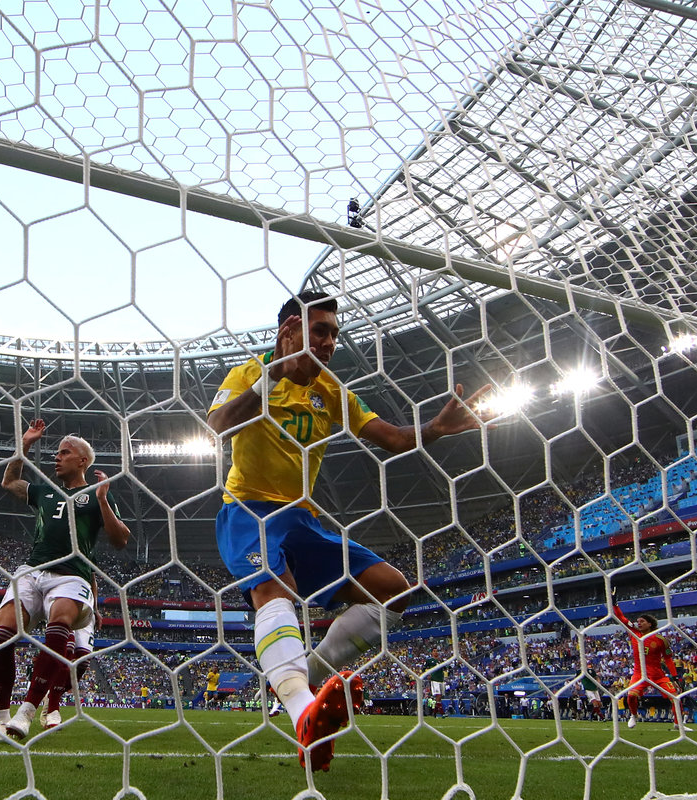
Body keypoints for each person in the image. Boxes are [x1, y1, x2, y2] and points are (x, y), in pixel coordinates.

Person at [206, 291, 494, 772]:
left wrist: (436, 429)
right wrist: (272, 376)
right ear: (289, 331)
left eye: (335, 334)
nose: (330, 342)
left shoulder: (331, 389)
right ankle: (303, 716)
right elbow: (217, 426)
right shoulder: (248, 373)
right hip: (248, 512)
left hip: (303, 518)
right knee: (277, 589)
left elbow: (394, 438)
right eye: (320, 331)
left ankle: (304, 675)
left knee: (392, 591)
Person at [0, 421, 130, 742]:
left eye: (65, 453)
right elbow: (9, 482)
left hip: (71, 575)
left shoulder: (96, 496)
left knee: (59, 625)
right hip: (32, 570)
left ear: (82, 461)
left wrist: (104, 501)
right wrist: (25, 444)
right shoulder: (45, 491)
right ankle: (1, 720)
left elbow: (121, 539)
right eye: (57, 452)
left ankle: (27, 713)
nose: (57, 457)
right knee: (3, 634)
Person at [611, 598, 690, 732]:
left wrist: (675, 676)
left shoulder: (661, 640)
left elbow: (668, 659)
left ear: (650, 624)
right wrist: (615, 605)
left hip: (658, 676)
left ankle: (678, 724)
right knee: (631, 696)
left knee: (675, 698)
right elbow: (621, 618)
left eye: (642, 621)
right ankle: (634, 715)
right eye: (638, 621)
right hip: (639, 674)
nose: (639, 623)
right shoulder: (634, 633)